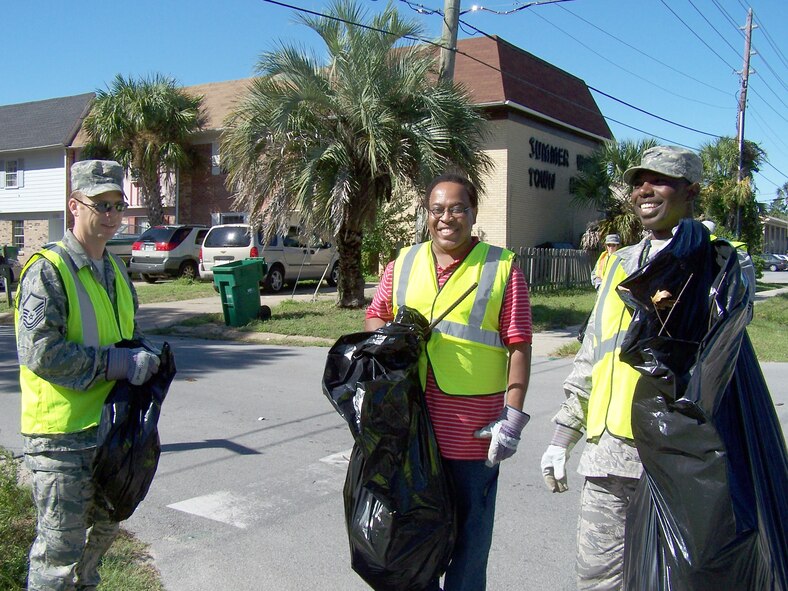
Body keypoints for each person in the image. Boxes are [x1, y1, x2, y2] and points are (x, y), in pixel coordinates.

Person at [539, 146, 710, 590]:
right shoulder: (620, 263)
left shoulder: (719, 264)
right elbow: (593, 356)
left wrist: (696, 251)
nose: (644, 190)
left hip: (674, 462)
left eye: (660, 179)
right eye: (638, 182)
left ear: (691, 191)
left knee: (670, 579)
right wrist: (563, 438)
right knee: (597, 580)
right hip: (608, 456)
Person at [365, 173, 533, 591]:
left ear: (473, 212)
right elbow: (375, 313)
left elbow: (519, 345)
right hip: (411, 425)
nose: (447, 218)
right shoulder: (403, 262)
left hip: (472, 433)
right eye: (437, 209)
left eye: (457, 208)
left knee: (470, 543)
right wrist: (388, 340)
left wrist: (512, 417)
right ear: (427, 215)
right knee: (414, 535)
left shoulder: (501, 266)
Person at [15, 159, 161, 591]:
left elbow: (126, 336)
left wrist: (147, 357)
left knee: (103, 536)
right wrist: (116, 365)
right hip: (60, 437)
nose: (112, 214)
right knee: (59, 551)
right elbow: (40, 351)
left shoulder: (115, 270)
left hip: (110, 432)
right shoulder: (47, 271)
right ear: (74, 206)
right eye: (101, 204)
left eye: (118, 204)